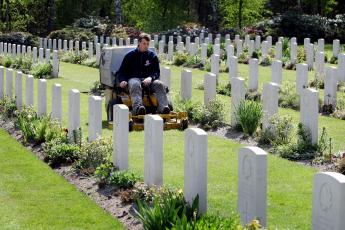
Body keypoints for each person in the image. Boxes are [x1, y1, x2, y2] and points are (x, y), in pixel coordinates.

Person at [117, 33, 170, 115]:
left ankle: (163, 108)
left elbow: (156, 71)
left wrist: (150, 77)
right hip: (134, 79)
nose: (146, 46)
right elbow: (121, 72)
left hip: (148, 80)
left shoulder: (152, 56)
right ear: (139, 43)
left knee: (159, 84)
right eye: (144, 43)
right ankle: (138, 108)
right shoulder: (129, 56)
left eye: (148, 44)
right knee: (135, 84)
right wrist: (122, 80)